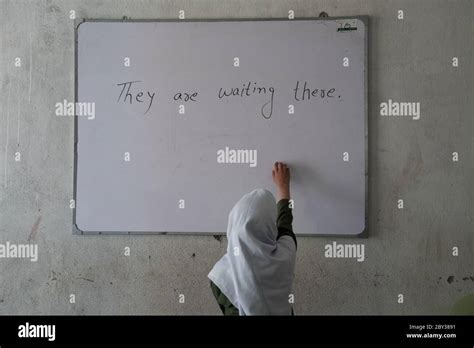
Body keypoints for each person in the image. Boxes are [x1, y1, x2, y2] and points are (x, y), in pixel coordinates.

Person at [208, 162, 297, 315]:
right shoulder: (285, 255)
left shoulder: (220, 276)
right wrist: (283, 186)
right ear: (270, 225)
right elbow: (285, 221)